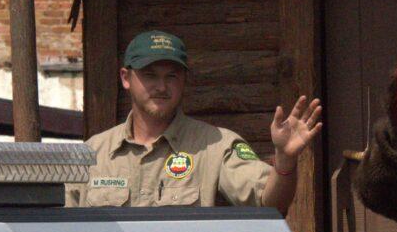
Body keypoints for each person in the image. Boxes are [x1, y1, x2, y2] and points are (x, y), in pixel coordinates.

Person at [67, 30, 321, 213]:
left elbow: (270, 203)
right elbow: (61, 231)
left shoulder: (215, 145)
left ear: (184, 80)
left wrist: (285, 160)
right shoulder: (93, 153)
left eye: (172, 76)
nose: (161, 86)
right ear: (125, 78)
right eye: (150, 75)